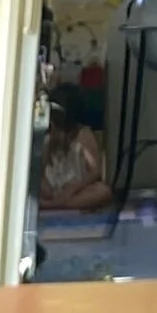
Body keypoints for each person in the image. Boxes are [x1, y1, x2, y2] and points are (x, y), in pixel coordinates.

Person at [35, 84, 112, 215]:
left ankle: (56, 205)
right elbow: (41, 169)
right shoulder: (50, 135)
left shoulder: (83, 135)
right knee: (36, 189)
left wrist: (74, 188)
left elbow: (95, 172)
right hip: (54, 185)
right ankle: (57, 204)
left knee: (103, 191)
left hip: (76, 188)